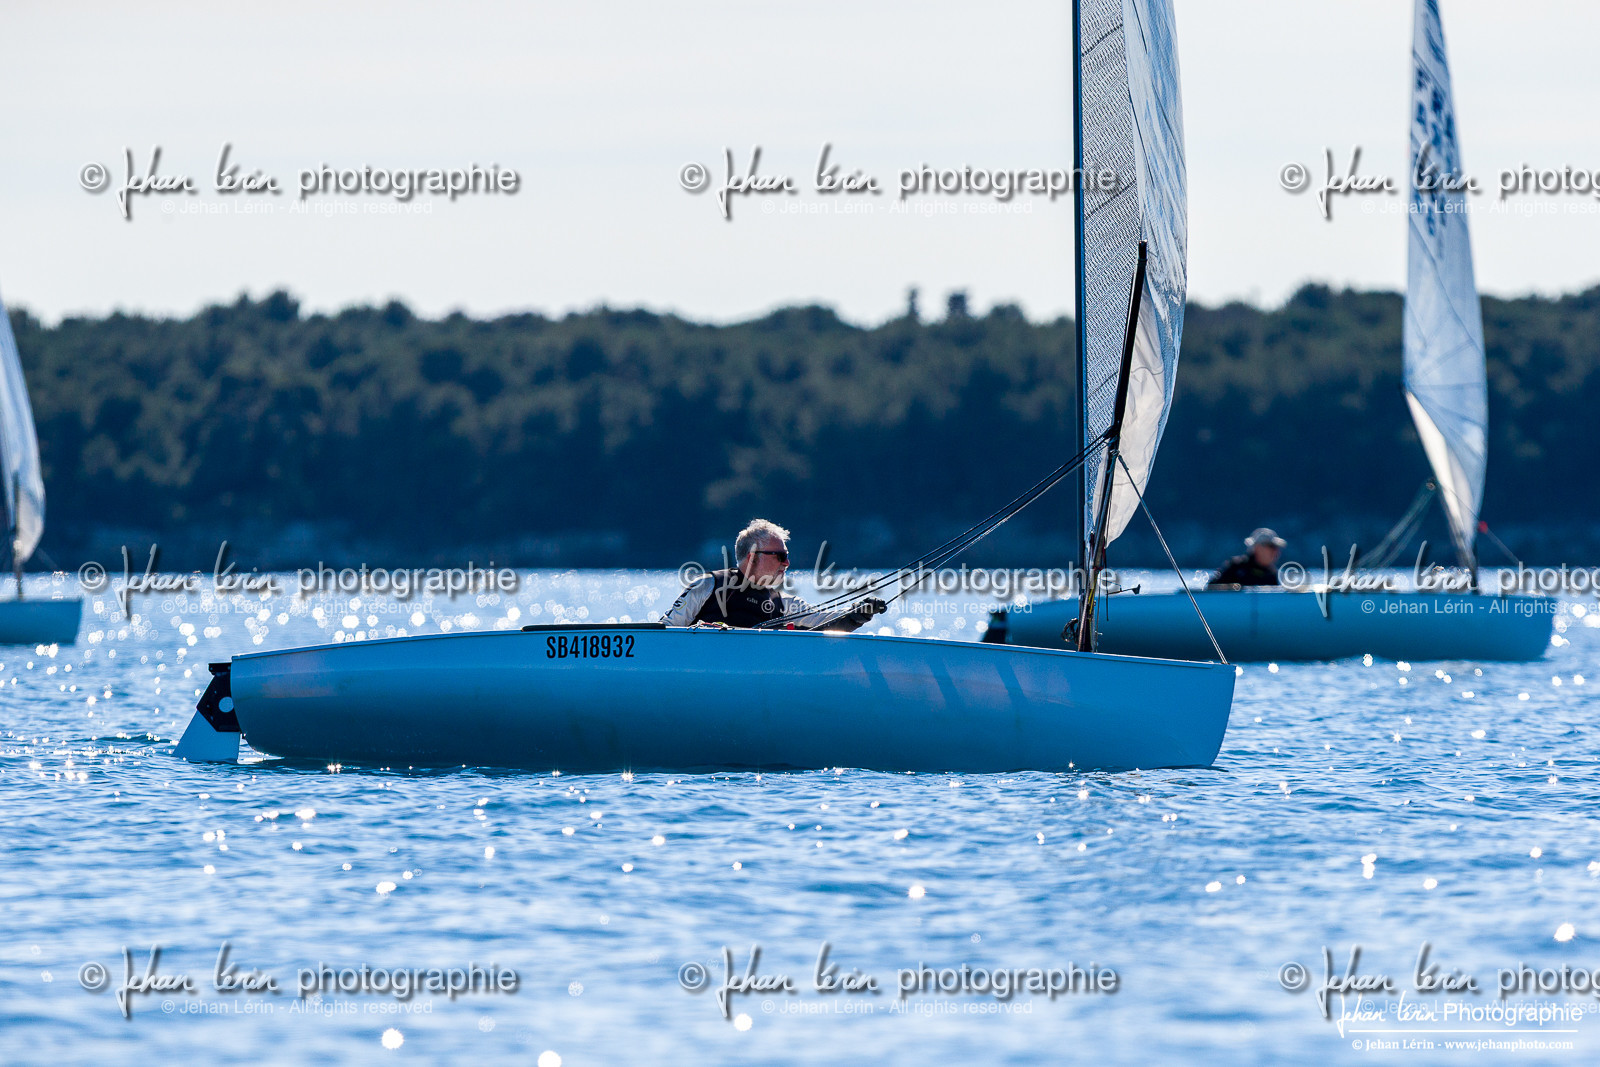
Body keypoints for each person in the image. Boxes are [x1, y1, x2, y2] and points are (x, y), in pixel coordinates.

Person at [663, 519, 886, 630]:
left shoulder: (785, 605)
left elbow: (826, 622)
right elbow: (662, 633)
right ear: (752, 556)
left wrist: (858, 613)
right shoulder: (708, 586)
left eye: (787, 555)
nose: (787, 563)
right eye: (779, 556)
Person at [1207, 528, 1286, 588]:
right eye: (1271, 546)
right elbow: (1211, 589)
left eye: (1277, 547)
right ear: (1258, 547)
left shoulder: (1273, 574)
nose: (1276, 551)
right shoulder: (1235, 567)